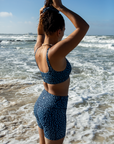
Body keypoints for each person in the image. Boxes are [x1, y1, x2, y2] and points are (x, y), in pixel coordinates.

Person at [34, 0, 89, 144]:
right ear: (59, 31)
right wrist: (60, 7)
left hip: (41, 104)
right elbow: (83, 27)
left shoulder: (38, 49)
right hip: (54, 110)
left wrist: (43, 14)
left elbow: (40, 33)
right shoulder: (54, 53)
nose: (63, 35)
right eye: (64, 31)